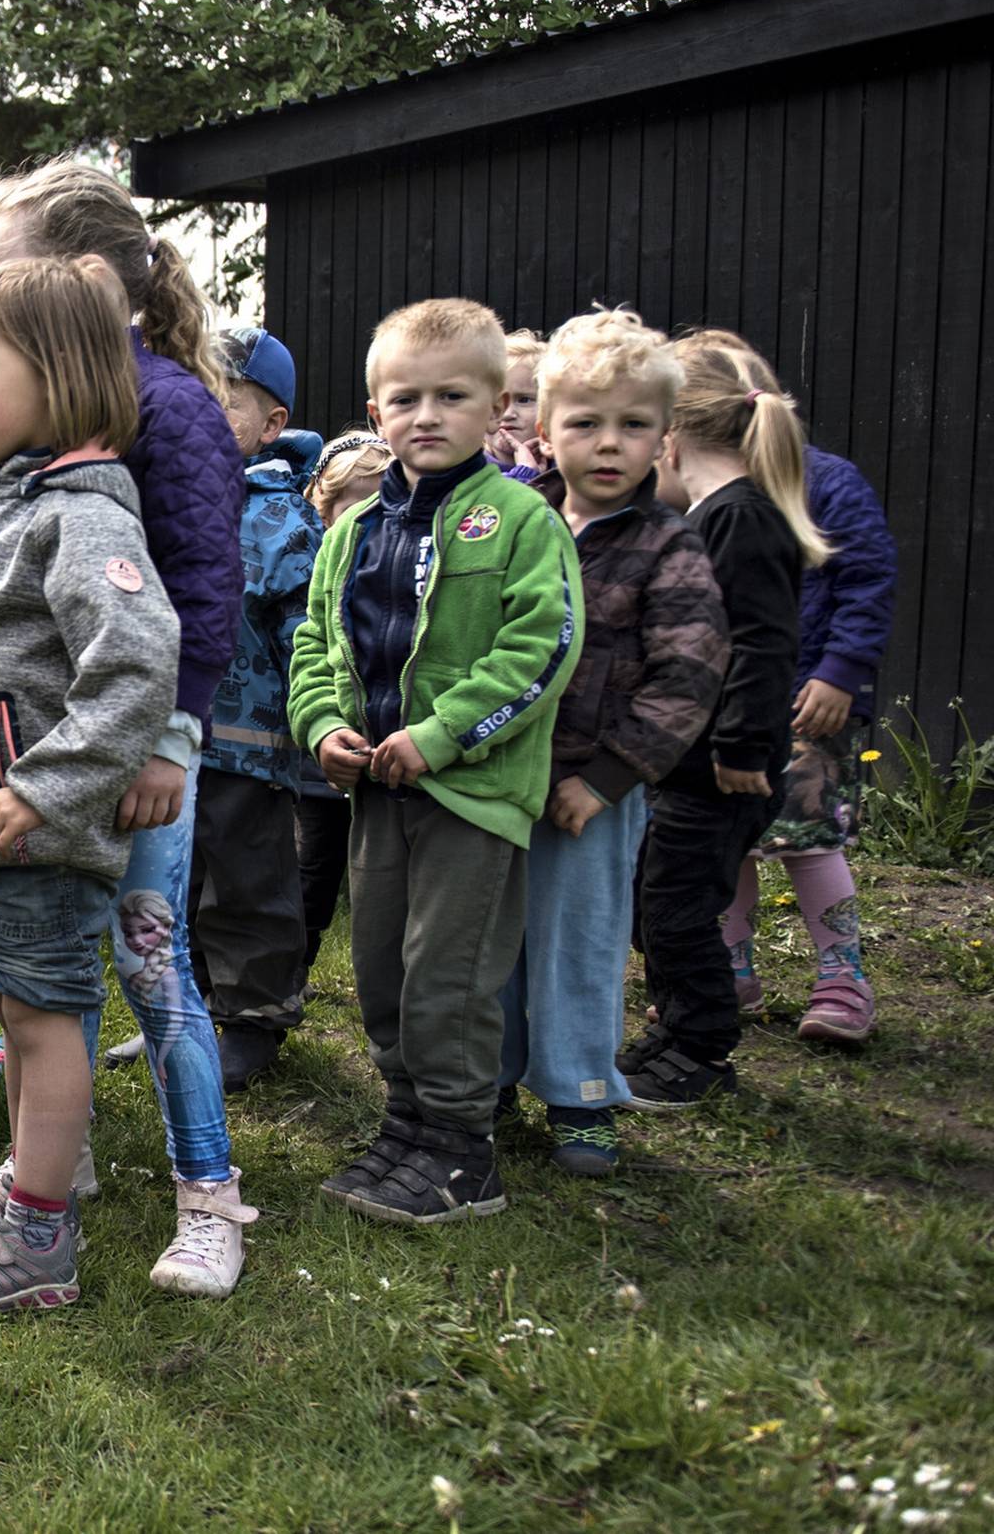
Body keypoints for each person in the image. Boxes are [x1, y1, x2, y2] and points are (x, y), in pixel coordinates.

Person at [0, 253, 254, 1311]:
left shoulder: (79, 512)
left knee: (44, 1023)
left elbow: (134, 668)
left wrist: (45, 787)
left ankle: (38, 1238)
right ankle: (28, 1197)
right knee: (20, 1019)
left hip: (36, 832)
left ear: (57, 375)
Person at [287, 297, 583, 1225]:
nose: (426, 415)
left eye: (451, 396)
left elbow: (543, 646)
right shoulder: (348, 534)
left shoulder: (522, 522)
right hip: (377, 794)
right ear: (375, 413)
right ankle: (405, 1125)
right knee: (382, 967)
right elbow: (313, 646)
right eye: (405, 398)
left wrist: (443, 734)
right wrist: (324, 728)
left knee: (448, 975)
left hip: (474, 795)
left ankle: (460, 1151)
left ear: (498, 406)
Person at [498, 310, 727, 1177]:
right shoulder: (518, 522)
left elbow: (688, 676)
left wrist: (607, 776)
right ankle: (492, 1076)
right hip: (500, 776)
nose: (607, 443)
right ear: (545, 429)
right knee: (497, 940)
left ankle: (582, 1092)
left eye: (632, 425)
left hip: (591, 792)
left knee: (579, 943)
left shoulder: (668, 547)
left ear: (665, 439)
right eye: (586, 422)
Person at [680, 330, 899, 1045]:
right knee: (729, 844)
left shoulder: (824, 480)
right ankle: (732, 966)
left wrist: (839, 672)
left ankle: (844, 979)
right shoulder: (695, 494)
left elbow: (867, 577)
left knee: (808, 839)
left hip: (806, 700)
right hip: (722, 705)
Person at [620, 358, 828, 1107]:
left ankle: (700, 1049)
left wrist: (739, 747)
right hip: (685, 764)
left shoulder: (740, 517)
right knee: (655, 899)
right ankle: (675, 1030)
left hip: (720, 768)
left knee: (675, 907)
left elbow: (761, 643)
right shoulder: (712, 516)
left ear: (671, 441)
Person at [188, 325, 324, 1091]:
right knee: (180, 878)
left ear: (270, 424)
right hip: (175, 737)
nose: (202, 411)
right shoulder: (170, 496)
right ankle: (194, 1004)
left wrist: (307, 717)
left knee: (246, 877)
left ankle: (255, 1014)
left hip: (247, 739)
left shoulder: (280, 517)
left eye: (224, 398)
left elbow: (306, 625)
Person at [292, 432, 393, 981]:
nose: (364, 521)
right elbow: (307, 646)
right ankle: (295, 968)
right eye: (352, 508)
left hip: (384, 752)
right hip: (320, 754)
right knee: (313, 865)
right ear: (323, 508)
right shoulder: (311, 562)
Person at [488, 327, 551, 481]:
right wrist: (525, 474)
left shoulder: (566, 469)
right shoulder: (466, 475)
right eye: (496, 402)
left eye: (524, 400)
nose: (508, 414)